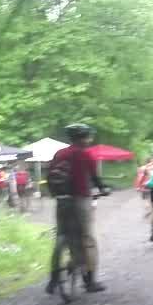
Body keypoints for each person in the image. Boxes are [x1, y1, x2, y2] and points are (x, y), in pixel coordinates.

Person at [46, 124, 108, 293]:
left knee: (61, 235)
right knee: (88, 238)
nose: (90, 140)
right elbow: (95, 178)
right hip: (80, 199)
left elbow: (49, 174)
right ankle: (90, 281)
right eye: (88, 137)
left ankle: (53, 279)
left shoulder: (59, 153)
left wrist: (55, 194)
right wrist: (103, 189)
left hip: (62, 199)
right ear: (84, 137)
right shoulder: (85, 155)